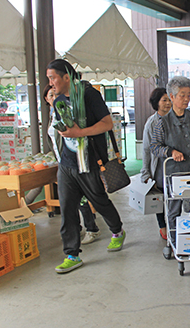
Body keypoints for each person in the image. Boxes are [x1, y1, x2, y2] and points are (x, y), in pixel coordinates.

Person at [46, 59, 126, 274]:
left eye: (53, 77)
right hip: (66, 162)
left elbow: (107, 124)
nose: (51, 82)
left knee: (99, 200)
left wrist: (78, 132)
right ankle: (71, 254)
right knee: (67, 208)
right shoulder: (59, 100)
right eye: (49, 78)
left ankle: (117, 231)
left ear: (66, 77)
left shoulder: (89, 95)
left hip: (88, 160)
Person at [150, 76, 190, 245]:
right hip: (174, 174)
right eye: (182, 95)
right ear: (172, 96)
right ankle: (175, 242)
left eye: (188, 94)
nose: (186, 99)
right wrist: (170, 151)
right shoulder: (162, 123)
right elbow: (154, 147)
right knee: (173, 209)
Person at [43, 84, 100, 245]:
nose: (54, 98)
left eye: (55, 94)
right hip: (62, 161)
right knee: (69, 201)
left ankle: (92, 228)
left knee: (83, 197)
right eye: (51, 96)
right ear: (46, 100)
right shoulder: (52, 115)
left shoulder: (65, 112)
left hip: (74, 162)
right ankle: (78, 232)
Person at [141, 88, 173, 240]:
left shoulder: (175, 119)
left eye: (169, 99)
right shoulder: (152, 123)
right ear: (157, 103)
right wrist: (145, 172)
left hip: (174, 165)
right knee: (160, 198)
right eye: (164, 100)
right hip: (159, 166)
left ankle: (174, 226)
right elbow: (147, 150)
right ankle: (163, 227)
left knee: (174, 197)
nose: (168, 103)